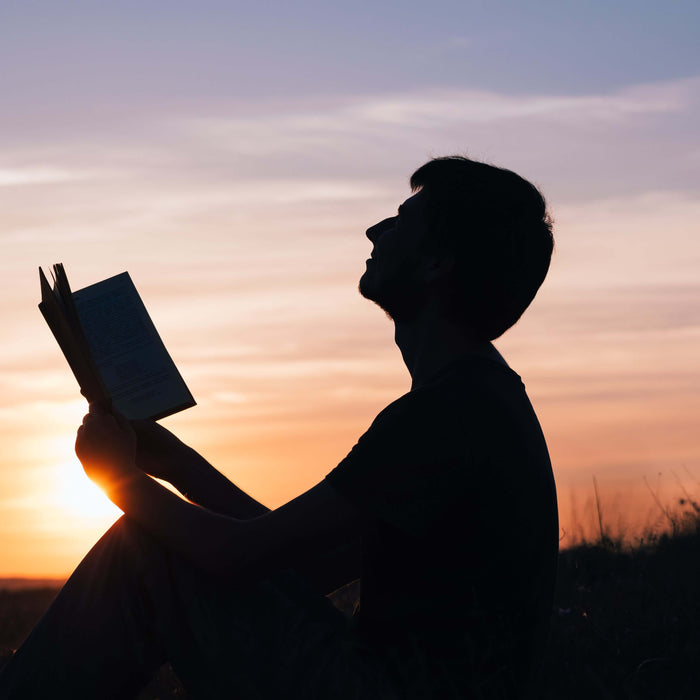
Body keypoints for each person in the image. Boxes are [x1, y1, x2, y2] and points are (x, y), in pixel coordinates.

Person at [0, 155, 558, 699]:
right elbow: (291, 561)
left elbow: (238, 557)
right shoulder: (476, 401)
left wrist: (120, 480)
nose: (375, 229)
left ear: (437, 264)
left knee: (143, 548)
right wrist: (178, 464)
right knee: (158, 545)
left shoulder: (447, 415)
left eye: (402, 220)